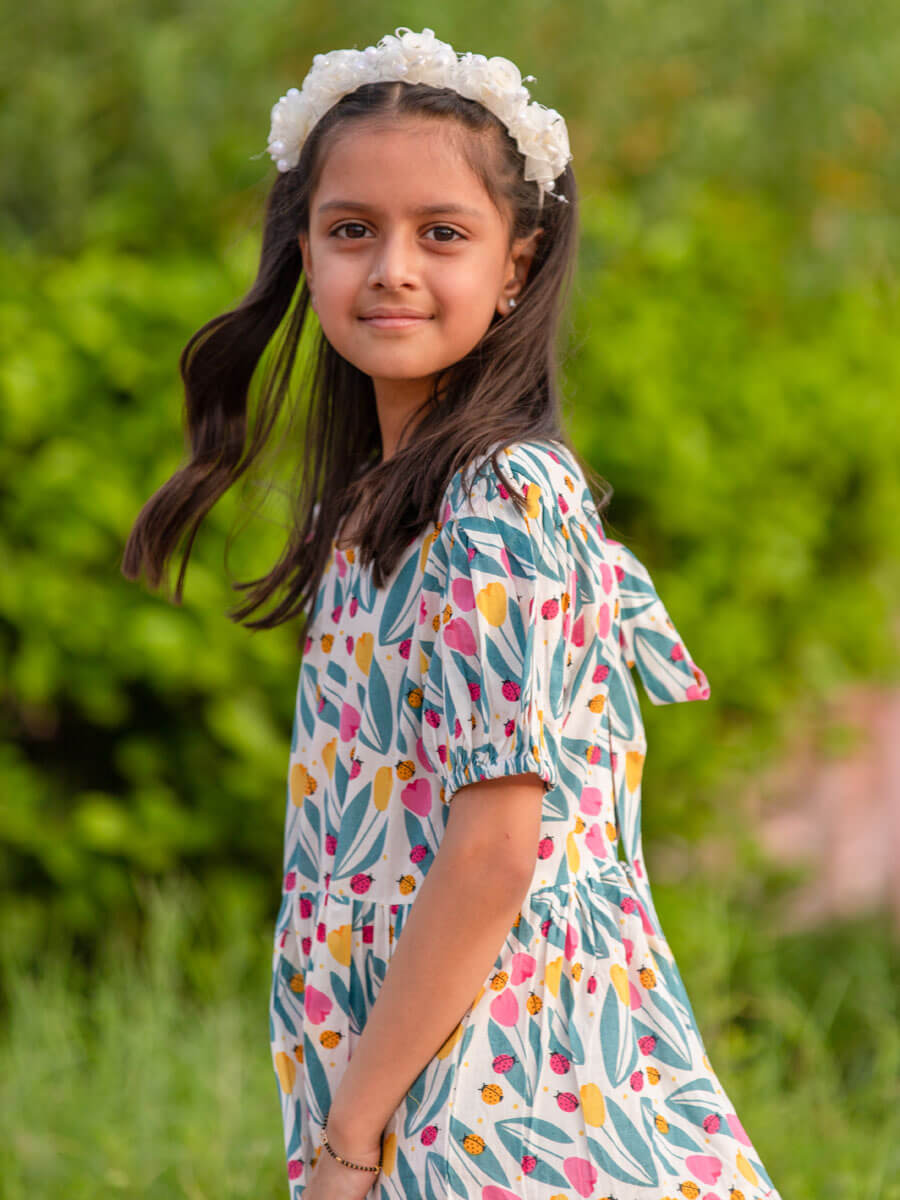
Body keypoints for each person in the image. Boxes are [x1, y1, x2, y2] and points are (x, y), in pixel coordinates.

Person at [123, 26, 782, 1200]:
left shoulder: (501, 500)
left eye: (442, 233)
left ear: (516, 265)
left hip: (511, 1098)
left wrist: (351, 1136)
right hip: (430, 1067)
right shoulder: (380, 507)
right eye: (351, 231)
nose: (391, 268)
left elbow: (493, 854)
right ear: (305, 252)